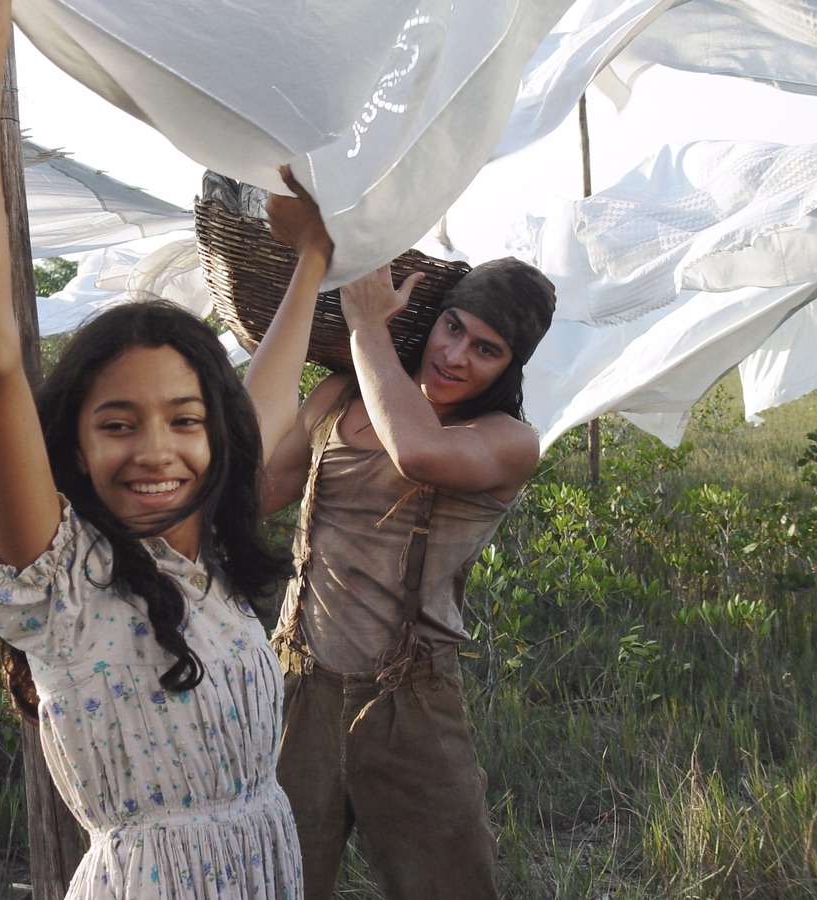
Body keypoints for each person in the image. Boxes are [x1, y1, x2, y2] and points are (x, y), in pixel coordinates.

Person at [0, 2, 302, 896]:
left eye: (184, 419)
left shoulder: (203, 551)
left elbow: (264, 403)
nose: (156, 450)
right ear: (75, 443)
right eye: (118, 423)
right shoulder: (64, 574)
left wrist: (315, 260)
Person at [245, 173, 556, 898]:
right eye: (454, 328)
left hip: (409, 702)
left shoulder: (505, 440)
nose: (456, 357)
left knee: (447, 885)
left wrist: (364, 325)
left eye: (487, 350)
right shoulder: (337, 398)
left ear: (509, 369)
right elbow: (260, 495)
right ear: (434, 316)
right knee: (279, 880)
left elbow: (416, 451)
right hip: (300, 685)